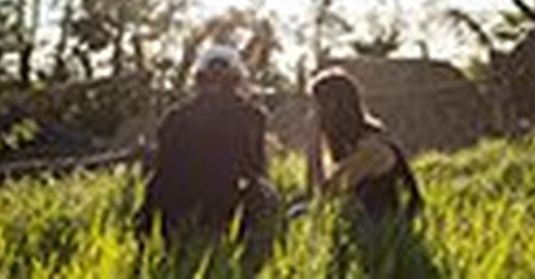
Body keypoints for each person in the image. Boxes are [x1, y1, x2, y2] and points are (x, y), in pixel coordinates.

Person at [138, 45, 276, 241]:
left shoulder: (174, 117)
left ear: (199, 79)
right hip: (229, 209)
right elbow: (257, 166)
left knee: (155, 184)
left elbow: (162, 167)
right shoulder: (253, 116)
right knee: (265, 190)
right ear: (236, 79)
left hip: (176, 210)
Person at [305, 67, 423, 221]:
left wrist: (313, 142)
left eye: (316, 108)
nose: (312, 114)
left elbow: (324, 194)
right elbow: (312, 193)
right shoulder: (351, 144)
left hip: (384, 231)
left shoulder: (371, 148)